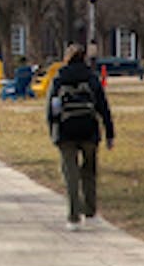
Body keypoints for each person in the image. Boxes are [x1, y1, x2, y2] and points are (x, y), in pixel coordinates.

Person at [46, 42, 115, 230]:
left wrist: (53, 129)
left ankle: (73, 216)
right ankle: (91, 212)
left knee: (71, 175)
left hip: (66, 131)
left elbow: (51, 108)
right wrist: (110, 133)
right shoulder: (91, 78)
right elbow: (103, 106)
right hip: (89, 129)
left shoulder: (59, 78)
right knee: (89, 172)